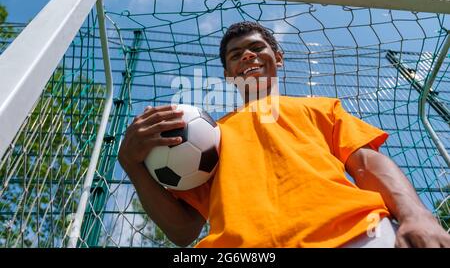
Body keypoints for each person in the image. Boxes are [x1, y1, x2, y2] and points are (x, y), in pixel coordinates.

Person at [118, 21, 450, 248]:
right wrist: (132, 164)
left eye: (256, 48)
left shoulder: (320, 108)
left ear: (278, 57)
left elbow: (366, 164)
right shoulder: (208, 138)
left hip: (361, 235)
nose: (246, 55)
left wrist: (418, 216)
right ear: (228, 73)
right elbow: (183, 231)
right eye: (236, 55)